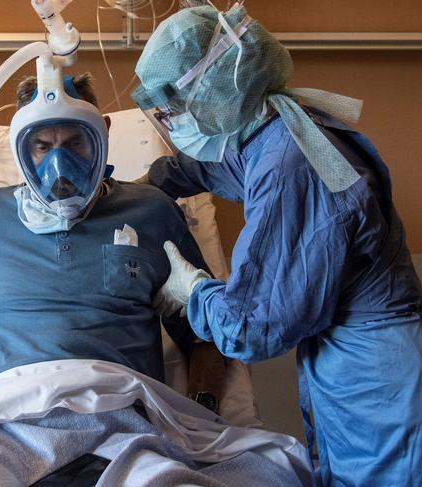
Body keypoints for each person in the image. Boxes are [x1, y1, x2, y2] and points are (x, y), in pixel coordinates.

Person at [0, 72, 258, 484]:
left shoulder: (151, 212)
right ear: (21, 147)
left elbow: (203, 331)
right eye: (42, 146)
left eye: (76, 142)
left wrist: (200, 406)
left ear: (103, 132)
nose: (61, 163)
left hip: (120, 419)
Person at [132, 4, 422, 486]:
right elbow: (222, 167)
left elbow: (252, 326)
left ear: (213, 92)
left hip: (376, 384)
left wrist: (196, 291)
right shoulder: (280, 128)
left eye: (171, 110)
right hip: (359, 365)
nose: (168, 122)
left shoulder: (291, 166)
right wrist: (150, 183)